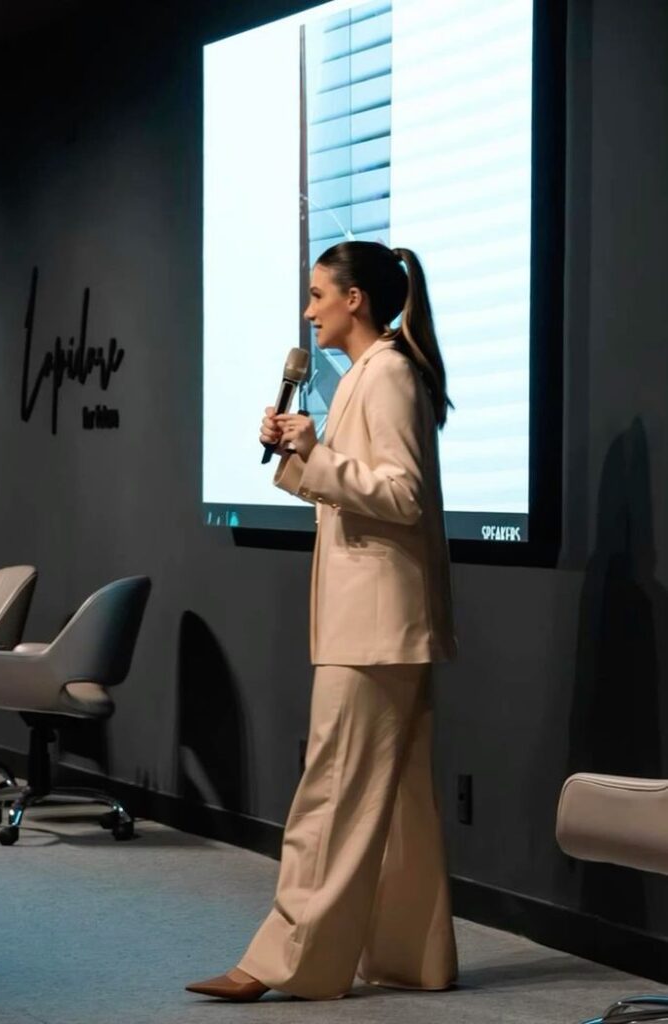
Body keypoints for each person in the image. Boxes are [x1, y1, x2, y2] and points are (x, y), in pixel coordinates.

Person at [186, 240, 458, 1002]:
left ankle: (283, 963)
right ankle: (414, 958)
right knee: (398, 801)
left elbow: (404, 497)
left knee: (330, 792)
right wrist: (301, 456)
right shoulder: (363, 378)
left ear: (354, 301)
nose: (308, 311)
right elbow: (363, 494)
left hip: (376, 628)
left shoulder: (391, 375)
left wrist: (321, 456)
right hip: (378, 623)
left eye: (316, 295)